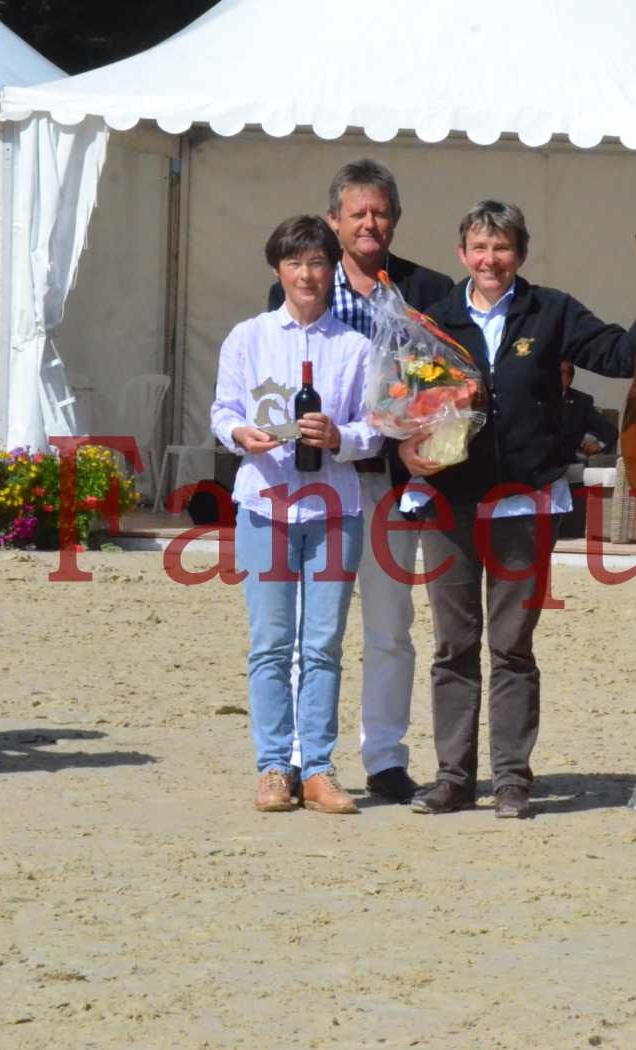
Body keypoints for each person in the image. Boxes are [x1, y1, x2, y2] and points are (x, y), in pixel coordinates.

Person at [402, 200, 636, 819]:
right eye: (479, 248)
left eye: (502, 248)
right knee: (453, 645)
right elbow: (402, 398)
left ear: (521, 254)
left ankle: (511, 779)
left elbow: (620, 356)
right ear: (462, 255)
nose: (490, 260)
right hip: (451, 500)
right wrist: (408, 438)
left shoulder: (553, 310)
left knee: (512, 646)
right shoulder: (434, 320)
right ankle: (454, 777)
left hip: (524, 502)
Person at [266, 159, 453, 805]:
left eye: (379, 213)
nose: (369, 223)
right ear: (333, 221)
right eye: (357, 213)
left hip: (392, 483)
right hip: (316, 482)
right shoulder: (304, 289)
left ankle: (385, 757)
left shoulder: (428, 288)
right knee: (308, 629)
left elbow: (448, 379)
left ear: (394, 220)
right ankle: (295, 759)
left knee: (390, 625)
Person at [214, 215, 382, 813]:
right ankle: (272, 768)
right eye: (295, 263)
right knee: (269, 642)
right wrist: (240, 433)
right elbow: (222, 410)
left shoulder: (356, 347)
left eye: (317, 263)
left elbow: (376, 431)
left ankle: (318, 768)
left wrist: (342, 436)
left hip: (335, 510)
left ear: (333, 269)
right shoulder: (248, 337)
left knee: (323, 643)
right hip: (264, 503)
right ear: (278, 270)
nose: (307, 274)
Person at [555, 360, 620, 541]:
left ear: (569, 379)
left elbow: (610, 430)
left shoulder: (581, 402)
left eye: (560, 373)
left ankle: (569, 531)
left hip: (568, 459)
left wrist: (597, 443)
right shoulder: (536, 397)